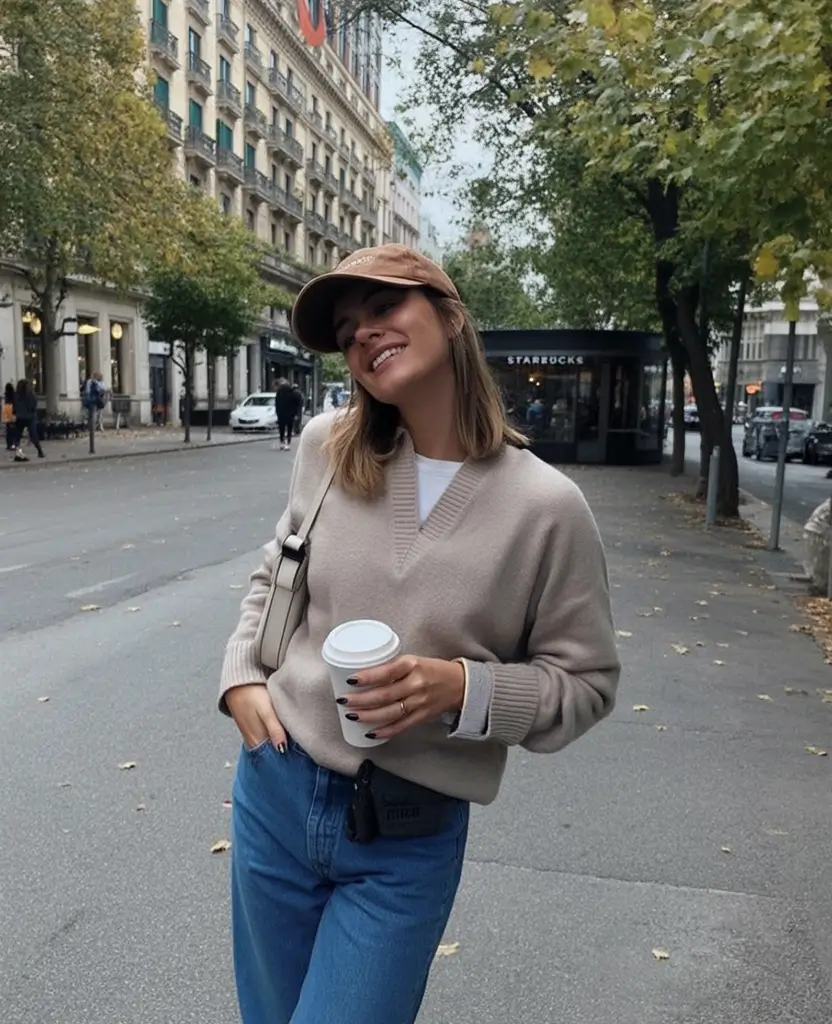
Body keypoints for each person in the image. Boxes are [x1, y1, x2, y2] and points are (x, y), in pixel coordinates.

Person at [219, 243, 620, 1024]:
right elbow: (278, 571)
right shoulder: (327, 451)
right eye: (347, 329)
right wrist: (240, 676)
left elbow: (588, 683)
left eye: (384, 309)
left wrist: (462, 690)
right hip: (275, 791)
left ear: (451, 316)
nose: (364, 334)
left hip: (404, 832)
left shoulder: (547, 507)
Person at [12, 379, 44, 461]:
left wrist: (15, 413)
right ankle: (40, 451)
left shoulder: (16, 395)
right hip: (30, 417)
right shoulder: (30, 394)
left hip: (20, 418)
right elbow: (33, 405)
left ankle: (18, 452)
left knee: (17, 436)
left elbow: (14, 406)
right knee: (33, 435)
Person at [274, 377, 302, 451]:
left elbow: (277, 404)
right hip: (290, 414)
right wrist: (296, 413)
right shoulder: (293, 393)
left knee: (282, 429)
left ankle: (282, 442)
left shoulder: (279, 393)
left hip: (281, 414)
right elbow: (297, 404)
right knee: (289, 429)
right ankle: (287, 443)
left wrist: (277, 413)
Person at [2, 382, 15, 451]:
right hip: (11, 410)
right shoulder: (13, 395)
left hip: (7, 410)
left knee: (8, 429)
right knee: (12, 429)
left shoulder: (6, 395)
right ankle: (12, 444)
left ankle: (9, 444)